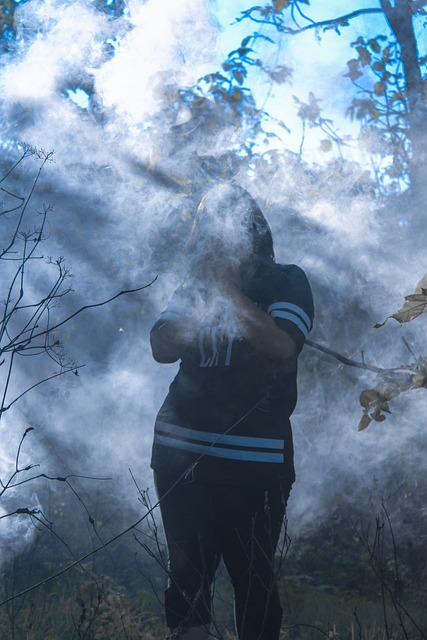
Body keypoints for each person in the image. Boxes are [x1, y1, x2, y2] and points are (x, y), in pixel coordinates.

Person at [150, 183, 314, 640]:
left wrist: (228, 293)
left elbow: (282, 345)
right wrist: (208, 295)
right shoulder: (194, 287)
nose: (215, 241)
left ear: (253, 231)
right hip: (179, 457)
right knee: (186, 582)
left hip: (257, 465)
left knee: (255, 584)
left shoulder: (287, 282)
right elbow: (162, 345)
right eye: (207, 232)